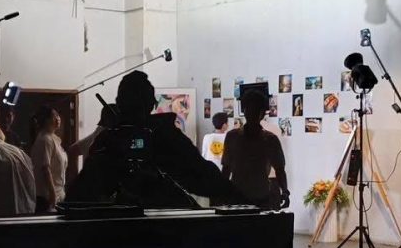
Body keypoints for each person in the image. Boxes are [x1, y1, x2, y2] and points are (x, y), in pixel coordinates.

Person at [66, 72, 242, 208]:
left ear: (119, 102)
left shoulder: (157, 135)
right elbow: (83, 192)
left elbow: (200, 175)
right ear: (151, 103)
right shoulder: (111, 140)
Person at [221, 89, 290, 209]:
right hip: (238, 198)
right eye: (249, 109)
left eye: (256, 110)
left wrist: (285, 191)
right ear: (244, 111)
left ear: (262, 113)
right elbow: (226, 169)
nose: (252, 113)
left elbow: (280, 169)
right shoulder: (232, 137)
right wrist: (221, 192)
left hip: (261, 197)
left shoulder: (270, 139)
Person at [29, 105, 68, 212]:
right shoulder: (45, 139)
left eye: (58, 115)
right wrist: (52, 194)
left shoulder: (54, 139)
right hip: (47, 197)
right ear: (45, 120)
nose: (58, 118)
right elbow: (45, 168)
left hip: (58, 194)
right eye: (54, 116)